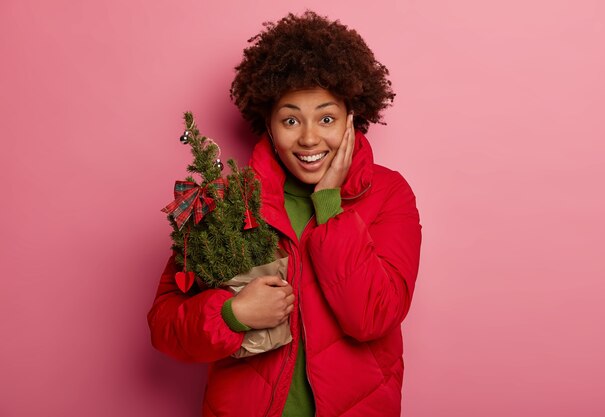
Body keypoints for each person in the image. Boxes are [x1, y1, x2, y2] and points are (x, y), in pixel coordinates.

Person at [148, 11, 422, 417]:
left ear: (352, 118)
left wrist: (329, 202)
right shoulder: (227, 202)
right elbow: (165, 326)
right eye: (291, 119)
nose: (309, 137)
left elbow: (372, 318)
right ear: (269, 125)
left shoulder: (388, 195)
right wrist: (231, 313)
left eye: (326, 118)